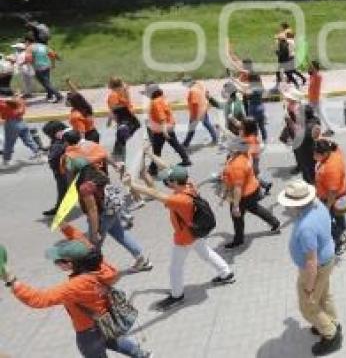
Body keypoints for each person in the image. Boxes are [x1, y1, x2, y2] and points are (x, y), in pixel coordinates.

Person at [1, 224, 152, 358]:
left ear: (69, 264)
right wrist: (64, 226)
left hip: (88, 332)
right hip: (105, 319)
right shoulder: (99, 265)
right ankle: (143, 355)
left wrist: (13, 281)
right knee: (113, 340)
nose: (56, 263)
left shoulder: (76, 285)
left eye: (58, 261)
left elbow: (40, 299)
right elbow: (81, 240)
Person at [124, 151, 234, 311]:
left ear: (175, 182)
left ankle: (177, 296)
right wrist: (149, 154)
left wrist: (131, 185)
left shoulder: (179, 200)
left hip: (185, 237)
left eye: (168, 181)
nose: (166, 183)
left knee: (175, 268)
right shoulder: (189, 184)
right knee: (205, 253)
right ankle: (226, 273)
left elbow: (154, 193)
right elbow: (169, 167)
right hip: (196, 231)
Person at [281, 179, 342, 356]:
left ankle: (331, 335)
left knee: (309, 305)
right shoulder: (317, 204)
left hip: (316, 268)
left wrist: (308, 288)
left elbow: (311, 262)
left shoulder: (306, 228)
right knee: (324, 295)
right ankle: (331, 322)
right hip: (328, 260)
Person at [71, 154, 153, 273]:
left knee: (94, 247)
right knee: (121, 234)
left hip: (101, 217)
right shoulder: (99, 174)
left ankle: (96, 273)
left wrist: (94, 233)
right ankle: (142, 260)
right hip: (112, 211)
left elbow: (93, 210)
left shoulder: (85, 186)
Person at [220, 137, 281, 249]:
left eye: (231, 146)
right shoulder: (244, 154)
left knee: (237, 217)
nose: (228, 147)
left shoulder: (237, 165)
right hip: (253, 188)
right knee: (254, 208)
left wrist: (236, 206)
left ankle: (238, 239)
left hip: (243, 195)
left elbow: (238, 188)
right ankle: (275, 222)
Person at [313, 138, 346, 255]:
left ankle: (340, 241)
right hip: (341, 195)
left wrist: (327, 207)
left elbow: (332, 192)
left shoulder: (330, 168)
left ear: (324, 154)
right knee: (339, 217)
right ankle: (342, 230)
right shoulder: (334, 153)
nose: (313, 156)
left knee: (325, 221)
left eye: (316, 154)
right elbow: (335, 145)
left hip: (335, 198)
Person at [145, 83, 191, 175]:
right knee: (175, 144)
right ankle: (186, 159)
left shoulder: (155, 102)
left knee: (156, 149)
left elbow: (161, 117)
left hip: (161, 129)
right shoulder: (162, 99)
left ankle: (153, 169)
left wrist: (164, 130)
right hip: (168, 126)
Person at [1, 95, 43, 166]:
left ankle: (6, 161)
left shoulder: (3, 103)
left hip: (11, 124)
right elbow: (23, 109)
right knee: (29, 140)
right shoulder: (19, 100)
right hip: (22, 121)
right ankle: (39, 155)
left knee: (9, 143)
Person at [106, 77, 140, 161]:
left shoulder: (118, 93)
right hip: (125, 117)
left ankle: (119, 153)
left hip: (127, 117)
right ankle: (120, 154)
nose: (123, 85)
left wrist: (109, 120)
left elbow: (113, 109)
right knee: (124, 134)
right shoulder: (117, 93)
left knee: (125, 134)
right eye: (121, 84)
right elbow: (114, 109)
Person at [42, 120, 70, 216]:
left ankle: (59, 209)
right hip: (65, 169)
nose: (48, 136)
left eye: (48, 134)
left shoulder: (58, 144)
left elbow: (51, 157)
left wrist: (46, 156)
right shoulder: (66, 137)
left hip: (61, 170)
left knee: (62, 189)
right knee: (65, 188)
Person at [182, 76, 218, 148]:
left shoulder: (192, 91)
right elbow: (207, 93)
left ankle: (186, 143)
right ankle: (215, 138)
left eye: (184, 83)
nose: (184, 85)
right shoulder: (200, 84)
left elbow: (195, 104)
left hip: (197, 112)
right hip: (203, 108)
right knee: (207, 123)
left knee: (192, 128)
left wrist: (194, 116)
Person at [24, 35, 62, 103]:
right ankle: (49, 95)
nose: (25, 43)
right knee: (47, 81)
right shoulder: (42, 46)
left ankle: (58, 95)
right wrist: (54, 63)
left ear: (27, 41)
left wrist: (27, 65)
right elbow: (53, 54)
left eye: (25, 42)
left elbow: (28, 58)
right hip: (47, 65)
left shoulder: (29, 48)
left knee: (45, 83)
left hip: (38, 67)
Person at [307, 61, 334, 135]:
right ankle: (327, 129)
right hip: (312, 99)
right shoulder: (312, 76)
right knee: (319, 115)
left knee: (312, 115)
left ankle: (325, 129)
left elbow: (314, 85)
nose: (309, 68)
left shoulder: (318, 76)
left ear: (314, 68)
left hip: (315, 99)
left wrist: (313, 71)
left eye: (311, 67)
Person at [276, 24, 306, 88]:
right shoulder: (290, 41)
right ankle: (301, 80)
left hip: (287, 59)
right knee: (291, 71)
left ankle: (297, 82)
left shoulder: (287, 42)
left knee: (288, 72)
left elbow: (284, 52)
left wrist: (278, 53)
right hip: (289, 58)